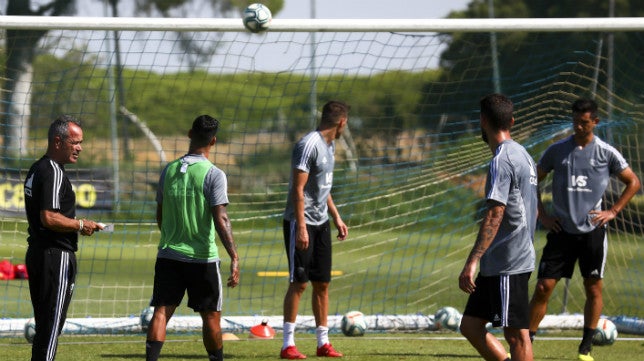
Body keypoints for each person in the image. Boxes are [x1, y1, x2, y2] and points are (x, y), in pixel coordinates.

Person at [527, 98, 641, 361]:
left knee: (593, 289)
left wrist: (612, 211)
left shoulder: (606, 152)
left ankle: (586, 347)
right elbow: (533, 179)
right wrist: (542, 215)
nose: (579, 126)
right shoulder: (557, 150)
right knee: (543, 287)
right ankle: (526, 342)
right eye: (575, 121)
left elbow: (633, 182)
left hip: (592, 232)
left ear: (595, 122)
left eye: (585, 122)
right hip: (560, 231)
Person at [145, 115, 240, 361]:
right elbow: (222, 219)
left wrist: (171, 236)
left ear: (189, 134)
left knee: (161, 312)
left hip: (168, 254)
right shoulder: (214, 174)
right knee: (210, 315)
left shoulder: (169, 170)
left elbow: (160, 214)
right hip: (202, 258)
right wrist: (234, 256)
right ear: (214, 140)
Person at [458, 93, 538, 361]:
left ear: (482, 121)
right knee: (470, 325)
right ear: (512, 121)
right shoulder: (523, 153)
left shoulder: (502, 159)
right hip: (501, 260)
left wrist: (472, 260)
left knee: (517, 336)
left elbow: (495, 213)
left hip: (508, 261)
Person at [24, 115, 104, 361]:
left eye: (81, 142)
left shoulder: (37, 168)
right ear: (58, 141)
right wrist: (81, 224)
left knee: (45, 328)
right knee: (50, 330)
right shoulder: (53, 172)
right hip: (55, 256)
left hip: (38, 254)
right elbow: (49, 217)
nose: (80, 148)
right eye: (75, 142)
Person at [280, 100, 350, 359]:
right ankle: (288, 345)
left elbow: (323, 189)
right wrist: (301, 228)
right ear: (342, 122)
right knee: (299, 283)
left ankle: (323, 343)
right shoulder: (307, 145)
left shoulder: (330, 146)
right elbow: (298, 189)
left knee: (322, 283)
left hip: (321, 225)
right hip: (301, 223)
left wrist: (337, 218)